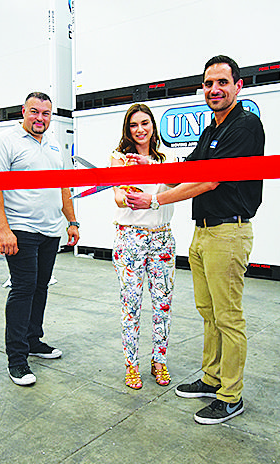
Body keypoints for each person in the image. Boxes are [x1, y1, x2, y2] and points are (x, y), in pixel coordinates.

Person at [126, 55, 264, 424]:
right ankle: (212, 378)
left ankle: (230, 396)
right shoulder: (211, 129)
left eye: (222, 82)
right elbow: (187, 169)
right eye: (208, 83)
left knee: (228, 317)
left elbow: (209, 180)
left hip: (228, 232)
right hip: (203, 232)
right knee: (209, 313)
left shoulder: (244, 126)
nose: (214, 89)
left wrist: (155, 200)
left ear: (238, 86)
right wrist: (152, 167)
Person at [0, 92, 79, 387]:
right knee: (23, 289)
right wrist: (3, 230)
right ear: (23, 111)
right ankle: (17, 358)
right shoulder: (4, 142)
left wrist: (72, 221)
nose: (40, 118)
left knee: (40, 287)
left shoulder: (53, 144)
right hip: (20, 229)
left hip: (50, 230)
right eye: (34, 111)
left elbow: (63, 186)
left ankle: (33, 340)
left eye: (46, 113)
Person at [110, 104, 175, 390]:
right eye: (134, 124)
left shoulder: (167, 158)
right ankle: (132, 365)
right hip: (129, 238)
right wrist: (128, 195)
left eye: (145, 123)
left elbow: (176, 182)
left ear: (153, 126)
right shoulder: (119, 158)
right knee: (131, 305)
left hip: (162, 237)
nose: (140, 130)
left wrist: (151, 167)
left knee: (162, 304)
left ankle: (159, 361)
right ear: (128, 129)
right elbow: (117, 195)